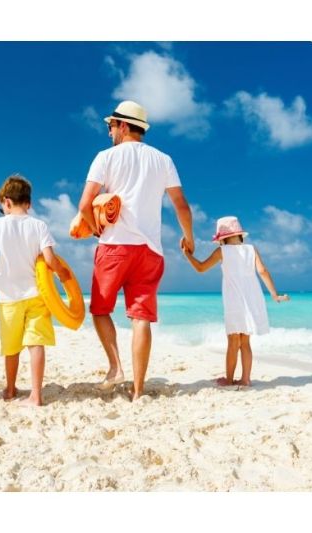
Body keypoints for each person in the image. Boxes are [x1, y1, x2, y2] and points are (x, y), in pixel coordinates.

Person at [80, 100, 195, 401]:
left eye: (111, 126)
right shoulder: (163, 159)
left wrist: (95, 228)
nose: (108, 132)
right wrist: (189, 237)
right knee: (141, 317)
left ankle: (116, 367)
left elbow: (84, 205)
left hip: (114, 247)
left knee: (100, 309)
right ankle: (138, 390)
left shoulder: (105, 157)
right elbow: (181, 205)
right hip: (149, 251)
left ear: (123, 126)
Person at [0, 175, 61, 406]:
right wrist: (64, 275)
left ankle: (10, 389)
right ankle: (36, 396)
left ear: (7, 202)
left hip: (8, 298)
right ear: (28, 203)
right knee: (36, 343)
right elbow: (50, 259)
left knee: (11, 347)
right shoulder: (39, 225)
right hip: (36, 294)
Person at [184, 216, 290, 388]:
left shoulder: (222, 252)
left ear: (222, 237)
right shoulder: (251, 249)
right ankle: (246, 379)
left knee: (233, 341)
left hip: (234, 301)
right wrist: (274, 294)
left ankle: (229, 379)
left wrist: (187, 254)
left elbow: (201, 268)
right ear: (240, 234)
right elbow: (263, 271)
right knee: (245, 341)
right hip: (252, 299)